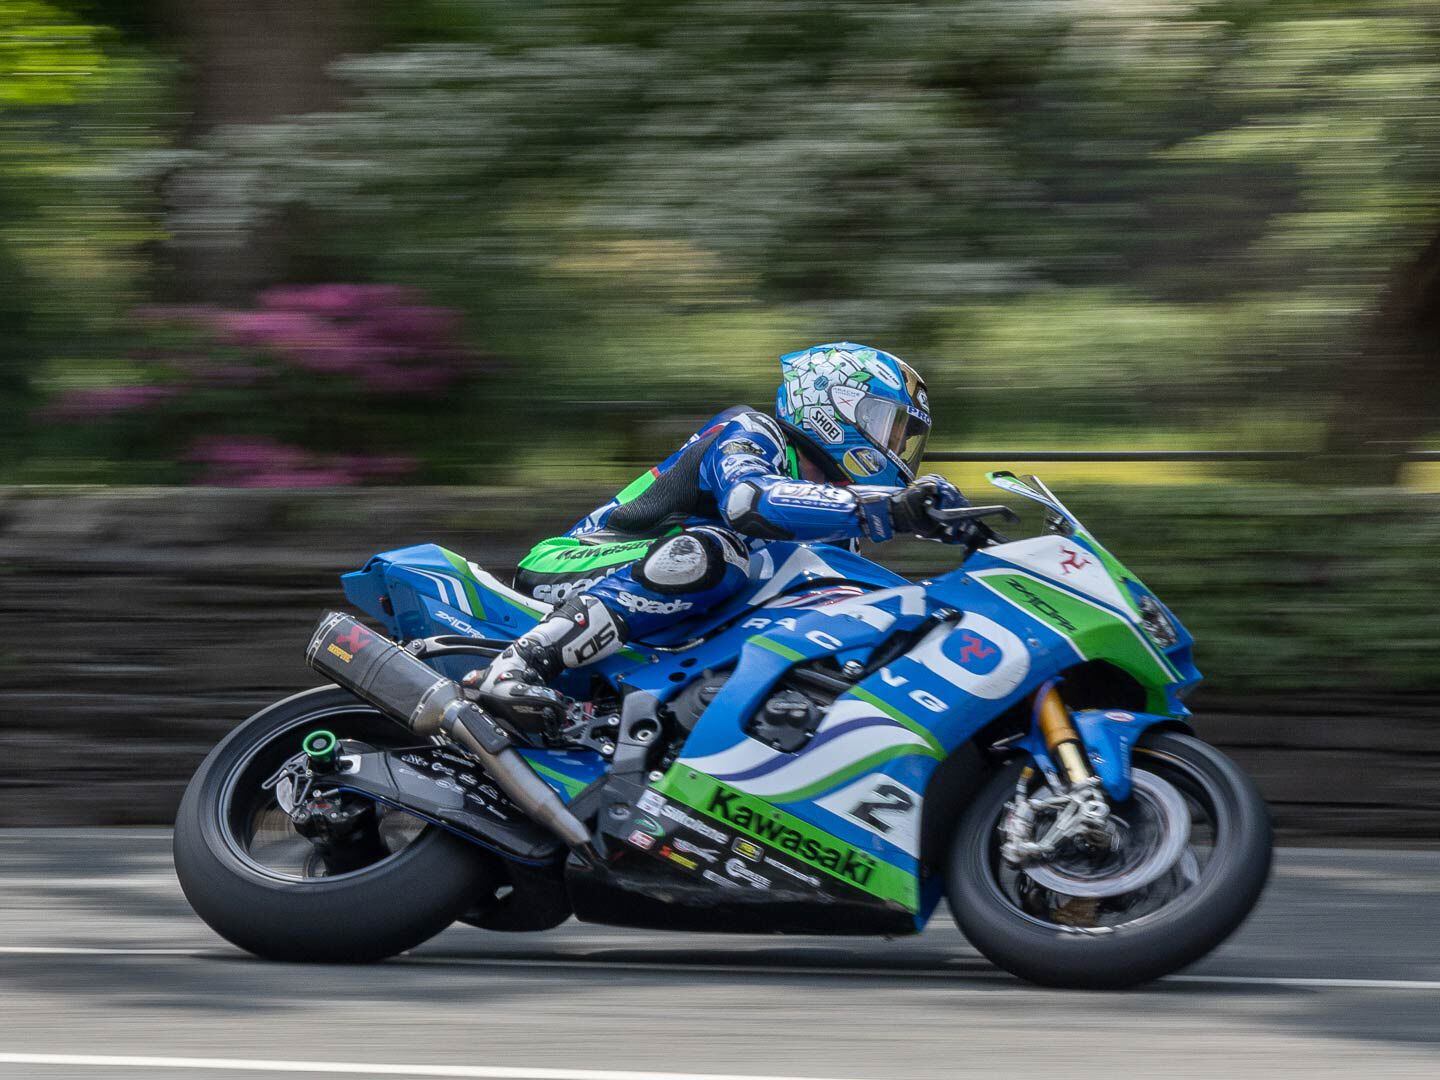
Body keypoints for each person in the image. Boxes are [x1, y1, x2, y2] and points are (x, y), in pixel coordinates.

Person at [468, 342, 970, 737]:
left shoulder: (838, 530)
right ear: (831, 404)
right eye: (887, 425)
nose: (895, 446)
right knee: (719, 550)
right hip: (573, 564)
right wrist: (885, 508)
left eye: (903, 435)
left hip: (670, 610)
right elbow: (750, 502)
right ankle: (518, 665)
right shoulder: (751, 431)